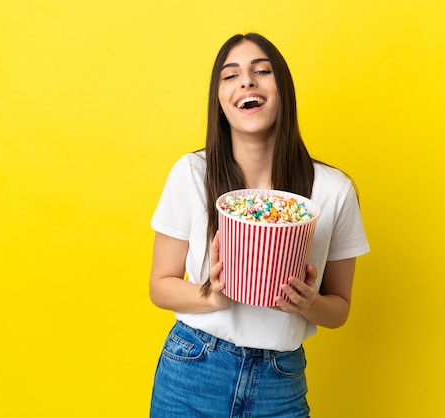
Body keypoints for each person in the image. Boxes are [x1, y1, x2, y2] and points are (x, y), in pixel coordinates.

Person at [148, 32, 370, 418]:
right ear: (219, 101)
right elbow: (159, 286)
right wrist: (213, 296)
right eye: (230, 75)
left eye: (262, 71)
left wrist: (309, 302)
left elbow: (339, 310)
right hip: (193, 369)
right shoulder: (191, 173)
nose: (247, 81)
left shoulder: (333, 189)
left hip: (279, 381)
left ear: (283, 89)